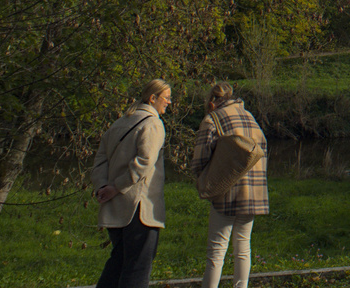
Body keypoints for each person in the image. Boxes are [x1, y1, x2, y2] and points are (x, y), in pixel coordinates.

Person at [90, 78, 171, 288]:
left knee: (117, 264)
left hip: (115, 206)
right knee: (137, 269)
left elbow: (99, 161)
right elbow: (144, 162)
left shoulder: (118, 123)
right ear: (153, 98)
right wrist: (116, 187)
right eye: (167, 98)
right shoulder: (152, 123)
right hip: (140, 208)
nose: (169, 102)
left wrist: (103, 188)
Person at [191, 82, 268, 288]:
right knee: (243, 248)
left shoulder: (213, 119)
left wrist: (203, 180)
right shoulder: (250, 118)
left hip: (226, 190)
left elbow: (199, 160)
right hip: (253, 191)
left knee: (216, 251)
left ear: (212, 101)